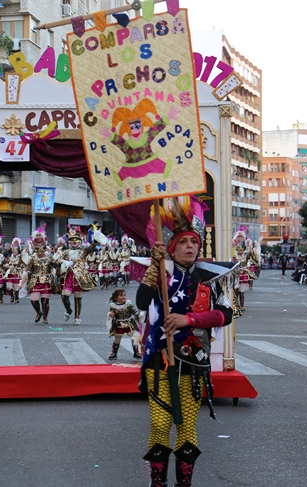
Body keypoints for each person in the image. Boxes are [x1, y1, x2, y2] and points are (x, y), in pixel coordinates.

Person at [135, 198, 233, 487]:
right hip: (159, 360)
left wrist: (187, 320)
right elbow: (141, 302)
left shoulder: (211, 276)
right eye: (184, 242)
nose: (191, 246)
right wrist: (154, 267)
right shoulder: (161, 275)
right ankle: (157, 482)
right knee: (160, 423)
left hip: (193, 361)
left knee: (187, 426)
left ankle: (184, 484)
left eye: (195, 242)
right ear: (172, 248)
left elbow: (226, 314)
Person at [53, 226, 99, 325]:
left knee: (78, 298)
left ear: (80, 241)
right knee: (64, 296)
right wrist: (65, 262)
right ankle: (69, 310)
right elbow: (58, 260)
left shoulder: (83, 251)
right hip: (68, 277)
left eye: (76, 240)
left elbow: (91, 248)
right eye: (72, 240)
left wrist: (95, 240)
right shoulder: (65, 252)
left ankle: (77, 317)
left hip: (79, 277)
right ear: (69, 242)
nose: (74, 242)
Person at [24, 224, 57, 325]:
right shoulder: (32, 257)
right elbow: (28, 269)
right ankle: (39, 312)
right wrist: (22, 282)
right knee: (34, 300)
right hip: (35, 280)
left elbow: (56, 265)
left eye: (41, 244)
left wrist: (64, 264)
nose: (39, 247)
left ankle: (45, 318)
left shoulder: (49, 256)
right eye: (37, 245)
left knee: (45, 300)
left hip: (47, 280)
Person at [106, 288, 144, 360]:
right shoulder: (113, 306)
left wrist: (139, 315)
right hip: (119, 324)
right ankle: (114, 353)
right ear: (115, 298)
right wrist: (110, 314)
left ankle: (136, 352)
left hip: (129, 323)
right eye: (121, 295)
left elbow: (134, 312)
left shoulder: (128, 305)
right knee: (117, 339)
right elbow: (112, 314)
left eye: (124, 295)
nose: (123, 297)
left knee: (134, 337)